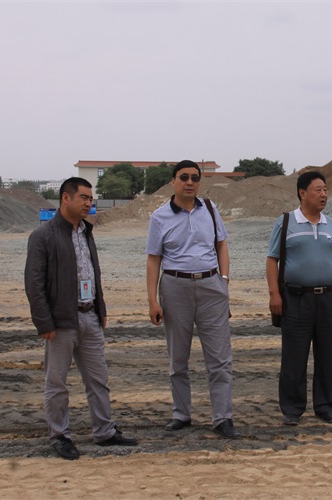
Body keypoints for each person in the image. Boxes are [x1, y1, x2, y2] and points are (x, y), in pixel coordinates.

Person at [25, 177, 138, 461]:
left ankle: (105, 431)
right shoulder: (43, 236)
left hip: (90, 317)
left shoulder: (86, 232)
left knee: (98, 380)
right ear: (66, 198)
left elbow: (92, 273)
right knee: (57, 384)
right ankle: (59, 436)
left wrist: (101, 309)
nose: (89, 203)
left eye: (91, 198)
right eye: (84, 198)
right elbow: (34, 283)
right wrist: (44, 322)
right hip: (61, 322)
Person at [146, 160, 235, 438]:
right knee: (178, 358)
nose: (189, 182)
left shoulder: (210, 209)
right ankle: (181, 414)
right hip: (175, 288)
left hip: (211, 287)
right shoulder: (159, 217)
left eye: (195, 178)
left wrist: (224, 281)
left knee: (219, 358)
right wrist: (152, 300)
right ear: (173, 181)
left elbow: (221, 244)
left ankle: (222, 418)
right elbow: (153, 260)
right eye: (183, 177)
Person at [266, 171, 332, 426]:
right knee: (294, 356)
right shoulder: (286, 222)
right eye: (317, 189)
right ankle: (292, 409)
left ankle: (325, 407)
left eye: (325, 189)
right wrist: (274, 294)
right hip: (295, 298)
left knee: (326, 356)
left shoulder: (330, 224)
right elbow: (272, 260)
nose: (323, 194)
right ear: (302, 193)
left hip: (327, 299)